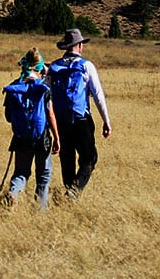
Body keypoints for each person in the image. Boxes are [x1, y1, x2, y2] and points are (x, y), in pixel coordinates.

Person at [46, 28, 112, 200]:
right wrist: (106, 121)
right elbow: (98, 95)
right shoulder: (86, 66)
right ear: (79, 45)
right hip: (81, 119)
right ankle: (74, 191)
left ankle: (69, 189)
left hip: (60, 120)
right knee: (89, 158)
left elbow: (47, 97)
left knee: (66, 158)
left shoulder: (53, 67)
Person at [3, 48, 60, 209]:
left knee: (21, 172)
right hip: (41, 137)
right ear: (40, 67)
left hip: (21, 137)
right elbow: (50, 114)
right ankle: (40, 210)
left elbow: (8, 116)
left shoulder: (14, 86)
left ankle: (13, 193)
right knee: (43, 174)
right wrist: (56, 137)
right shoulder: (43, 87)